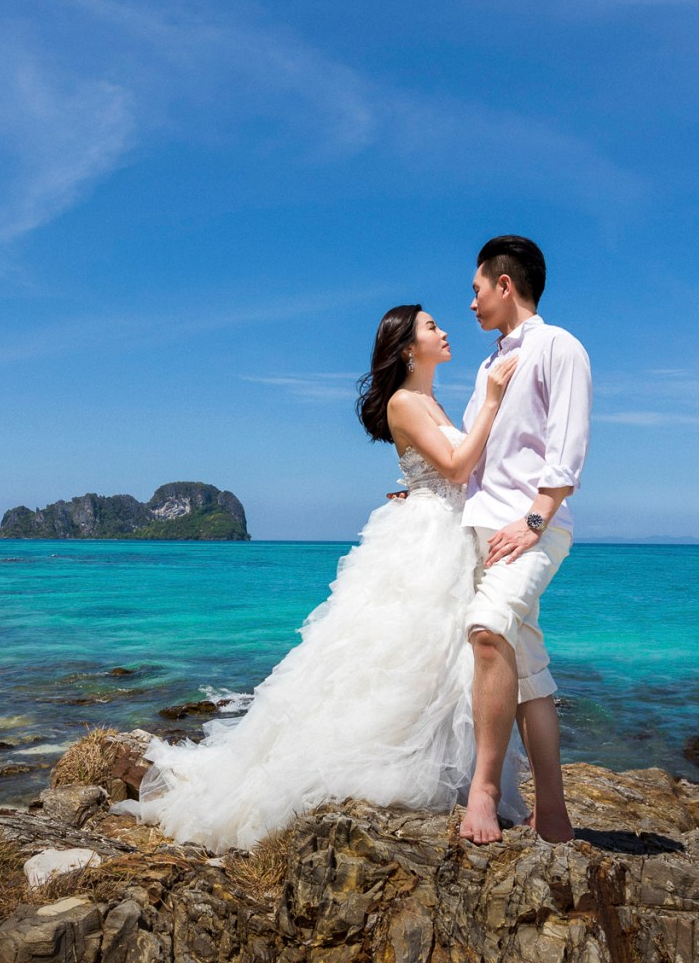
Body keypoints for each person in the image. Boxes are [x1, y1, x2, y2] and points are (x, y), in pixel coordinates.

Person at [114, 305, 520, 852]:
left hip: (446, 531)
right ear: (406, 348)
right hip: (428, 538)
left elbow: (446, 468)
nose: (444, 331)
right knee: (405, 650)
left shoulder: (429, 400)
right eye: (431, 327)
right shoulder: (404, 400)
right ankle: (380, 761)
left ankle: (448, 767)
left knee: (434, 654)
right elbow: (455, 467)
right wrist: (493, 402)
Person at [457, 235, 592, 845]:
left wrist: (536, 519)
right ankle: (554, 811)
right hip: (487, 529)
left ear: (504, 285)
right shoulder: (488, 365)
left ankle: (484, 789)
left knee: (486, 631)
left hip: (532, 529)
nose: (472, 303)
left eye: (477, 289)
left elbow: (568, 444)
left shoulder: (559, 346)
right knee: (528, 668)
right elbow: (475, 452)